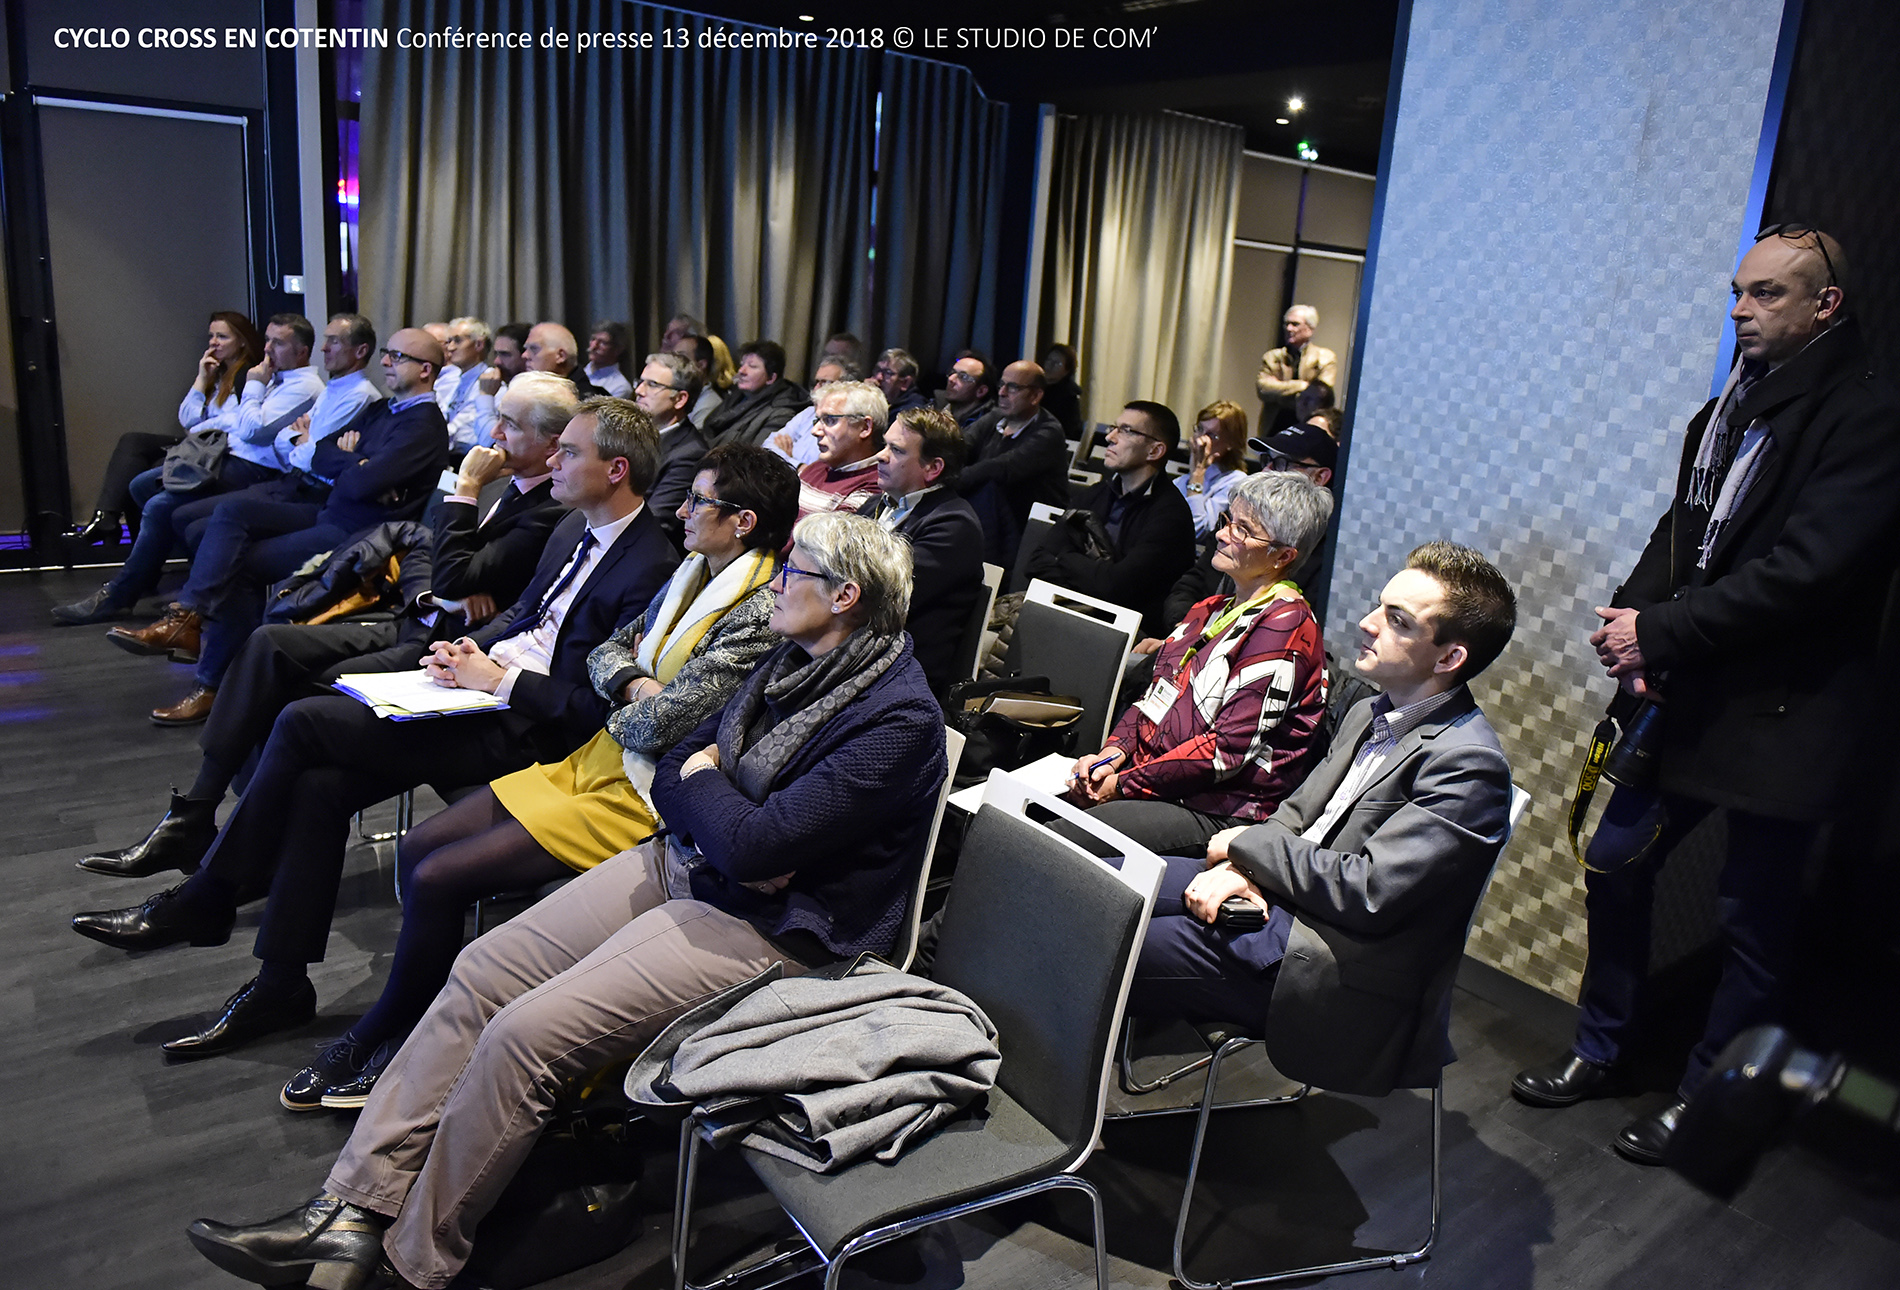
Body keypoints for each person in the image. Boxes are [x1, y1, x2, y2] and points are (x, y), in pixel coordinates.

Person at [184, 514, 946, 1290]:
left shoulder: (897, 718)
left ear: (844, 596)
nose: (777, 584)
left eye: (794, 572)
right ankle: (348, 1213)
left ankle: (412, 1264)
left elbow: (754, 845)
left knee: (525, 1036)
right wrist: (717, 804)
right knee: (481, 971)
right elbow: (676, 761)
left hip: (781, 929)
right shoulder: (790, 659)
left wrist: (718, 800)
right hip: (690, 865)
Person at [72, 399, 682, 1062]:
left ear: (616, 470)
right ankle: (279, 982)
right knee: (320, 786)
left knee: (302, 720)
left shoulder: (650, 565)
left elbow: (597, 708)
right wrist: (466, 649)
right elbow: (525, 620)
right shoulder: (571, 530)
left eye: (570, 452)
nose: (552, 461)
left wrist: (497, 680)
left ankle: (208, 891)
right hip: (481, 693)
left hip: (532, 731)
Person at [1511, 227, 1900, 1164]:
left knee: (1752, 922)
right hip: (1688, 691)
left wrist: (1663, 632)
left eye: (1767, 294)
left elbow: (1809, 573)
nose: (1740, 310)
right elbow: (1683, 529)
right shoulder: (1729, 406)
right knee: (1615, 863)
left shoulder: (1869, 413)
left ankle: (1705, 1099)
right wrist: (1633, 621)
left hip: (1789, 711)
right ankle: (1602, 1047)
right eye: (1738, 291)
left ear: (1825, 305)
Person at [279, 444, 798, 1109]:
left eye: (699, 501)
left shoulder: (759, 608)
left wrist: (628, 695)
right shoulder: (694, 569)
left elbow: (662, 725)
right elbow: (608, 654)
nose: (682, 510)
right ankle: (424, 1020)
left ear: (743, 521)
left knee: (438, 876)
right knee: (418, 847)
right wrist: (635, 685)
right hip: (596, 759)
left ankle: (393, 1036)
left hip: (645, 794)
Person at [74, 373, 579, 883]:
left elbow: (457, 574)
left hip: (445, 652)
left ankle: (238, 850)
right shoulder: (507, 485)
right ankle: (198, 812)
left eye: (510, 424)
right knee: (268, 646)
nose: (494, 432)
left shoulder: (549, 510)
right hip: (418, 617)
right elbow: (424, 550)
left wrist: (465, 493)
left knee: (290, 695)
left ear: (553, 443)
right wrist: (435, 593)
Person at [1130, 542, 1515, 1097]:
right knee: (1102, 883)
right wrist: (1245, 868)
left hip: (1331, 959)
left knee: (1105, 933)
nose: (1367, 623)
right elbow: (1295, 816)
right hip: (1283, 898)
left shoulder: (1468, 765)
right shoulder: (1370, 710)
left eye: (1398, 620)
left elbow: (1370, 891)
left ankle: (1054, 1114)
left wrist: (1245, 850)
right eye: (1380, 606)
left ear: (1449, 658)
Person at [106, 329, 452, 725]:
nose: (385, 361)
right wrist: (353, 462)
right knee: (228, 515)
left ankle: (215, 685)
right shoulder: (383, 409)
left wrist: (355, 465)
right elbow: (322, 450)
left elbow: (361, 482)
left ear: (425, 370)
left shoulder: (423, 426)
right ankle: (187, 619)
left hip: (362, 535)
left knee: (242, 566)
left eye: (397, 356)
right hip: (332, 512)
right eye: (387, 352)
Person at [1066, 472, 1333, 858]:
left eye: (1243, 530)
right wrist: (1110, 756)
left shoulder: (1287, 626)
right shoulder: (1209, 609)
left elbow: (1224, 752)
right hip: (1153, 780)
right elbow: (1152, 699)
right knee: (1030, 812)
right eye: (1228, 520)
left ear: (1283, 556)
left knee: (1061, 839)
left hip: (1217, 806)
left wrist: (1121, 784)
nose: (1222, 534)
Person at [56, 313, 377, 627]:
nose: (267, 349)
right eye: (267, 340)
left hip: (265, 472)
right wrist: (296, 437)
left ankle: (145, 599)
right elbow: (273, 437)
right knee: (148, 490)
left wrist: (260, 394)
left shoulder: (307, 386)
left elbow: (274, 440)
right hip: (243, 460)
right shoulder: (291, 381)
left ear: (302, 351)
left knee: (163, 506)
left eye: (277, 343)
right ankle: (174, 593)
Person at [74, 310, 262, 545]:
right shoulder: (216, 373)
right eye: (211, 336)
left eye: (222, 337)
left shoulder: (247, 375)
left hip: (222, 450)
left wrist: (202, 427)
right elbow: (187, 419)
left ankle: (134, 540)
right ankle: (107, 518)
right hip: (201, 443)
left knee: (151, 470)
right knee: (133, 442)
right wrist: (202, 378)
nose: (214, 342)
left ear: (242, 341)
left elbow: (237, 422)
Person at [1024, 399, 1197, 635]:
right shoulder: (1096, 494)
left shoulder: (1170, 515)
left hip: (1125, 634)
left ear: (1155, 451)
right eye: (1114, 428)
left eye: (1126, 431)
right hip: (1068, 614)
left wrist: (1064, 558)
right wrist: (1095, 574)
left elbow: (1115, 588)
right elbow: (1036, 563)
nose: (1110, 437)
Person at [861, 405, 985, 695]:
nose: (880, 456)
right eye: (885, 445)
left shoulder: (954, 526)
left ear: (933, 468)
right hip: (860, 651)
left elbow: (880, 595)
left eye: (896, 450)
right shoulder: (877, 504)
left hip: (897, 675)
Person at [957, 359, 1069, 567]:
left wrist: (950, 481)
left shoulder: (1049, 432)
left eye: (1013, 387)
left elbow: (1001, 468)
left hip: (1026, 531)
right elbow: (960, 444)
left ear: (1035, 396)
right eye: (1001, 385)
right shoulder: (996, 417)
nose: (1002, 393)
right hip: (991, 519)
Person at [632, 349, 710, 547]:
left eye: (652, 384)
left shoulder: (689, 454)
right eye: (640, 381)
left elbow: (656, 522)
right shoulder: (631, 433)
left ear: (680, 399)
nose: (639, 390)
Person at [796, 379, 887, 519]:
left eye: (829, 420)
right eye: (817, 420)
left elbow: (828, 533)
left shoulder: (874, 486)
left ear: (864, 427)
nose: (815, 431)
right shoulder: (816, 468)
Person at [698, 339, 806, 448]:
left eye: (752, 366)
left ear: (771, 378)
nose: (741, 371)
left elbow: (757, 454)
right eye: (742, 365)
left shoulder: (781, 414)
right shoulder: (738, 395)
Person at [1255, 305, 1339, 437]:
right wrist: (1303, 385)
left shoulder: (1325, 358)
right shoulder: (1272, 357)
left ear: (1310, 328)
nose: (1289, 328)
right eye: (1286, 324)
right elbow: (1263, 389)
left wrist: (1279, 391)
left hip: (1308, 427)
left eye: (1295, 324)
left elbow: (1321, 396)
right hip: (1274, 426)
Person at [1179, 400, 1251, 541]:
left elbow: (1196, 530)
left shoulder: (1236, 481)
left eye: (1211, 435)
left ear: (1231, 443)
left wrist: (1197, 474)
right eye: (1200, 429)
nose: (1200, 440)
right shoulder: (1187, 476)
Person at [767, 356, 856, 467]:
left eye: (825, 383)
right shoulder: (809, 412)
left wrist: (787, 459)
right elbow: (768, 445)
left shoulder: (845, 422)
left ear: (846, 386)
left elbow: (821, 468)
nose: (816, 389)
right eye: (817, 382)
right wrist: (797, 465)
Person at [456, 321, 531, 450]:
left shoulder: (528, 394)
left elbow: (489, 442)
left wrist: (486, 396)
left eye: (505, 354)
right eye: (496, 354)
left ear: (525, 356)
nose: (497, 361)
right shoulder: (501, 385)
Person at [435, 317, 491, 451]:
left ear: (478, 345)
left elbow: (469, 436)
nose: (450, 348)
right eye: (449, 341)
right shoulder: (451, 379)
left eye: (457, 340)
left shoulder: (491, 382)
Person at [939, 349, 995, 431]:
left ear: (981, 391)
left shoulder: (986, 425)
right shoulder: (935, 406)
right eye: (952, 372)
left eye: (963, 377)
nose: (951, 379)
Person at [1040, 341, 1085, 440]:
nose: (1050, 366)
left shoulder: (1069, 396)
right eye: (1048, 360)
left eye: (1057, 363)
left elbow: (1070, 431)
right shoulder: (1036, 386)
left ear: (1067, 370)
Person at [582, 320, 634, 397]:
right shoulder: (577, 373)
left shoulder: (620, 387)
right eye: (593, 339)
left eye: (603, 342)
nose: (594, 346)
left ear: (617, 350)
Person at [872, 347, 928, 416]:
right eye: (878, 370)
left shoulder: (911, 413)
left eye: (888, 373)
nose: (878, 377)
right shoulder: (891, 403)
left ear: (905, 382)